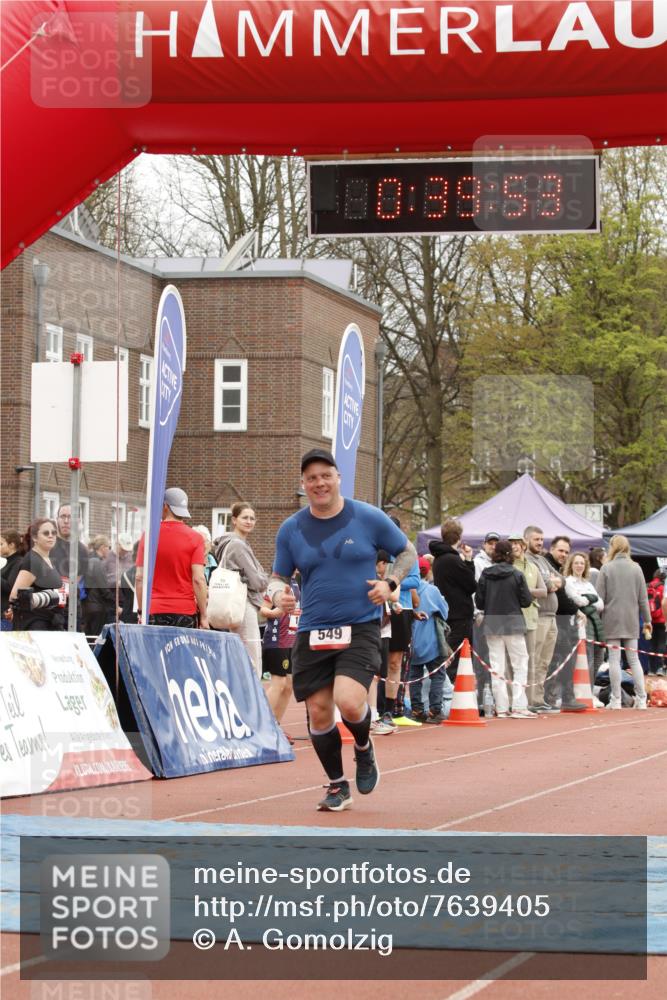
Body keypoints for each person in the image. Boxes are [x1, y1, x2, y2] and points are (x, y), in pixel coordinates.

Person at [268, 448, 417, 812]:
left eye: (325, 475)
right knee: (319, 712)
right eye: (311, 478)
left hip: (360, 624)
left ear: (337, 478)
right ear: (304, 485)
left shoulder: (367, 517)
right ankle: (338, 785)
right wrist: (278, 596)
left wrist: (391, 584)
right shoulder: (292, 529)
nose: (319, 483)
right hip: (313, 629)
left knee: (350, 702)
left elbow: (407, 551)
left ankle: (364, 749)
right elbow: (277, 577)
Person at [475, 539, 535, 718]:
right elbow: (526, 600)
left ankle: (501, 708)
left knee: (497, 666)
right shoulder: (516, 574)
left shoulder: (486, 574)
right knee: (520, 664)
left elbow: (479, 601)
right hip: (513, 622)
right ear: (509, 554)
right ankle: (518, 705)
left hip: (493, 622)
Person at [135, 487, 208, 629]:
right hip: (184, 611)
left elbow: (139, 577)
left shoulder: (148, 535)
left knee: (155, 652)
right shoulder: (196, 538)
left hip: (154, 609)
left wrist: (141, 611)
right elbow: (199, 579)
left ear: (165, 506)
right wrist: (204, 616)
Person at [215, 502, 269, 678]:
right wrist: (262, 577)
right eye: (245, 517)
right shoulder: (238, 545)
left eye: (252, 518)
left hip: (234, 602)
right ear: (234, 520)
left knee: (240, 653)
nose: (249, 521)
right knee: (252, 656)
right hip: (243, 603)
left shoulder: (229, 543)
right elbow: (258, 581)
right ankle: (251, 698)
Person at [596, 534, 651, 710]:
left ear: (612, 547)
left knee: (614, 660)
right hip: (631, 620)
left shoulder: (606, 568)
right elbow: (643, 598)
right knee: (634, 659)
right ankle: (641, 698)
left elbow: (599, 598)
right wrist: (648, 620)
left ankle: (616, 699)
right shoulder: (636, 568)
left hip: (611, 620)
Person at [383, 515, 421, 730]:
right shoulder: (374, 547)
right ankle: (372, 708)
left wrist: (393, 581)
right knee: (375, 661)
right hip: (376, 607)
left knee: (395, 661)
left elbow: (415, 580)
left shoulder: (406, 551)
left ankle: (390, 710)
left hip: (401, 609)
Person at [429, 518, 477, 682]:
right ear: (459, 537)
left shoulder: (439, 559)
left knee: (450, 653)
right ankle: (451, 692)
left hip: (448, 612)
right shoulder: (453, 559)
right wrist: (469, 561)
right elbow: (471, 584)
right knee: (457, 657)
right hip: (459, 614)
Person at [524, 525, 565, 714]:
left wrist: (553, 583)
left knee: (544, 662)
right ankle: (530, 699)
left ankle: (538, 698)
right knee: (535, 658)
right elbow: (546, 584)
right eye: (536, 539)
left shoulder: (542, 559)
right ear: (526, 540)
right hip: (538, 617)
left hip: (552, 617)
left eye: (541, 539)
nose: (540, 543)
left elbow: (560, 580)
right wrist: (551, 583)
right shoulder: (527, 561)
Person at [544, 536, 586, 712]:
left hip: (560, 620)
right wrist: (576, 609)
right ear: (552, 549)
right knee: (554, 660)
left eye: (566, 552)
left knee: (562, 659)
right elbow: (561, 597)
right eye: (561, 550)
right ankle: (553, 697)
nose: (563, 554)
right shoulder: (547, 566)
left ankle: (561, 696)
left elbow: (564, 595)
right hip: (552, 620)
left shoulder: (558, 570)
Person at [259, 577, 301, 742]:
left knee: (289, 686)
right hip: (276, 641)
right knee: (279, 683)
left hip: (292, 641)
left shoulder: (299, 583)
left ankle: (275, 726)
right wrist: (275, 612)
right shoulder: (275, 584)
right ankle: (262, 725)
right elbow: (263, 608)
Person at [509, 532, 546, 703]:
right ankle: (513, 700)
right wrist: (530, 593)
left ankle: (530, 701)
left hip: (531, 619)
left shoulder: (532, 567)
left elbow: (544, 591)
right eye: (511, 543)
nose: (514, 546)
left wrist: (526, 592)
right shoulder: (509, 567)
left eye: (517, 543)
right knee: (513, 662)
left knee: (531, 661)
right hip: (513, 620)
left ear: (523, 545)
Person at [9, 518, 66, 631]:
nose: (51, 536)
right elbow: (15, 597)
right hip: (35, 625)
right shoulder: (32, 560)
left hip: (51, 622)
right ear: (35, 537)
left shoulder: (48, 559)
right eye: (46, 533)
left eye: (53, 533)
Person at [408, 575, 450, 723]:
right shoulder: (432, 590)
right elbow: (444, 611)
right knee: (438, 674)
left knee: (414, 677)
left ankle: (416, 709)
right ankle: (435, 710)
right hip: (431, 639)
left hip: (411, 639)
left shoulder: (403, 589)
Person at [564, 551, 605, 691]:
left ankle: (591, 691)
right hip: (578, 626)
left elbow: (601, 605)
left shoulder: (588, 583)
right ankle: (583, 693)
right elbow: (578, 601)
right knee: (587, 660)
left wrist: (586, 599)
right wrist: (590, 599)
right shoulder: (568, 582)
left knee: (598, 658)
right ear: (571, 564)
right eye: (576, 563)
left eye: (582, 563)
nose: (579, 565)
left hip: (594, 626)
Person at [52, 503, 89, 629]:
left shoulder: (82, 550)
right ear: (57, 519)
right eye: (62, 517)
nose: (66, 521)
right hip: (49, 607)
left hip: (72, 607)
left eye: (70, 517)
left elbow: (77, 579)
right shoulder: (48, 545)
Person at [83, 535, 117, 637]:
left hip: (87, 604)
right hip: (97, 606)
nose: (109, 550)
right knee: (96, 638)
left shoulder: (89, 559)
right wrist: (115, 603)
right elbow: (103, 588)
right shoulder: (97, 562)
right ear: (102, 547)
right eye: (109, 547)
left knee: (88, 637)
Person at [1, 529, 25, 630]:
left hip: (6, 616)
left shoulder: (18, 562)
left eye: (1, 544)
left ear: (12, 545)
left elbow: (10, 587)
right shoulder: (7, 562)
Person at [646, 569, 666, 674]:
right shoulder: (663, 587)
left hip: (649, 619)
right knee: (661, 643)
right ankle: (660, 668)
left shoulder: (648, 586)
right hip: (662, 619)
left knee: (651, 644)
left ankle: (651, 669)